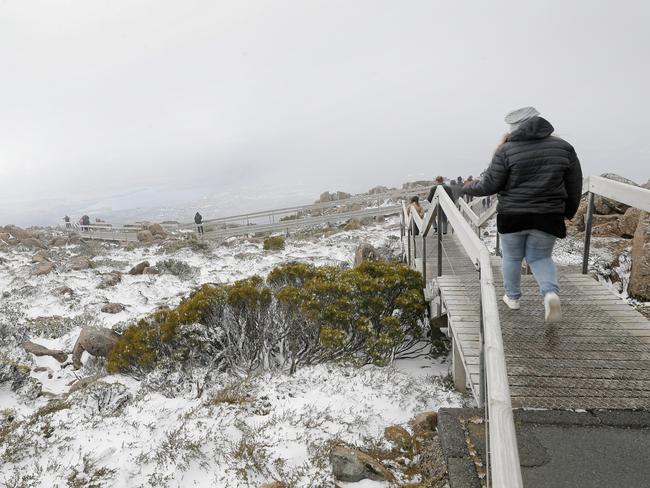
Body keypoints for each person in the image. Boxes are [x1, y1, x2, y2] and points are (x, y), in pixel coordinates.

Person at [460, 107, 582, 322]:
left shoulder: (506, 150)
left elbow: (490, 185)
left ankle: (513, 298)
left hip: (513, 214)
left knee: (512, 257)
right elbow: (574, 184)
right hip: (548, 215)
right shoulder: (564, 147)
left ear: (514, 128)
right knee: (540, 257)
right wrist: (568, 211)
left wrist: (466, 188)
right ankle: (550, 293)